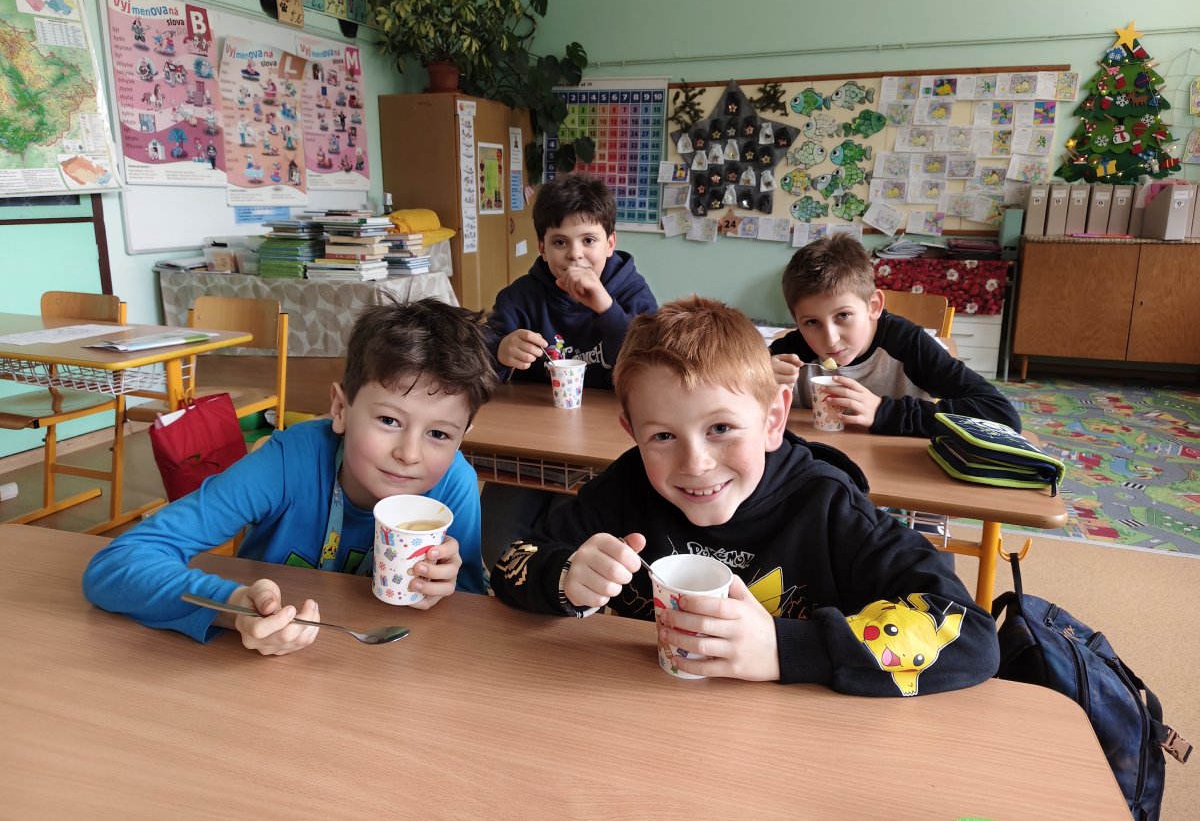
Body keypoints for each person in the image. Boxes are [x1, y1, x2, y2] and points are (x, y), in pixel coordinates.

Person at [490, 296, 999, 696]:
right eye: (662, 436)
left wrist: (784, 649)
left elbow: (967, 633)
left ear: (774, 418)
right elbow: (514, 562)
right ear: (632, 432)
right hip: (641, 723)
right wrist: (565, 578)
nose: (695, 463)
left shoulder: (827, 504)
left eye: (721, 428)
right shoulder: (626, 485)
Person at [83, 298, 497, 656]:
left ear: (462, 437)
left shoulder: (453, 483)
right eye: (389, 420)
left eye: (439, 434)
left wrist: (446, 591)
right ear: (340, 409)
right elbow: (116, 564)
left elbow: (472, 611)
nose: (409, 454)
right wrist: (234, 607)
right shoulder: (286, 463)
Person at [479, 172, 658, 568]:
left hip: (604, 448)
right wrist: (500, 349)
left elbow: (653, 360)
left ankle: (557, 585)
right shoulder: (521, 297)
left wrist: (605, 308)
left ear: (610, 243)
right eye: (560, 242)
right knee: (496, 539)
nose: (575, 255)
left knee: (572, 535)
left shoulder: (631, 291)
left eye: (588, 240)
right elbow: (477, 355)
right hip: (529, 443)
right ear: (542, 249)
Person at [770, 233, 1020, 438]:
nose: (831, 339)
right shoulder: (794, 350)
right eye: (812, 322)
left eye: (843, 315)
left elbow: (1002, 415)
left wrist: (884, 411)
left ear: (874, 306)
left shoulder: (908, 344)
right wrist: (757, 380)